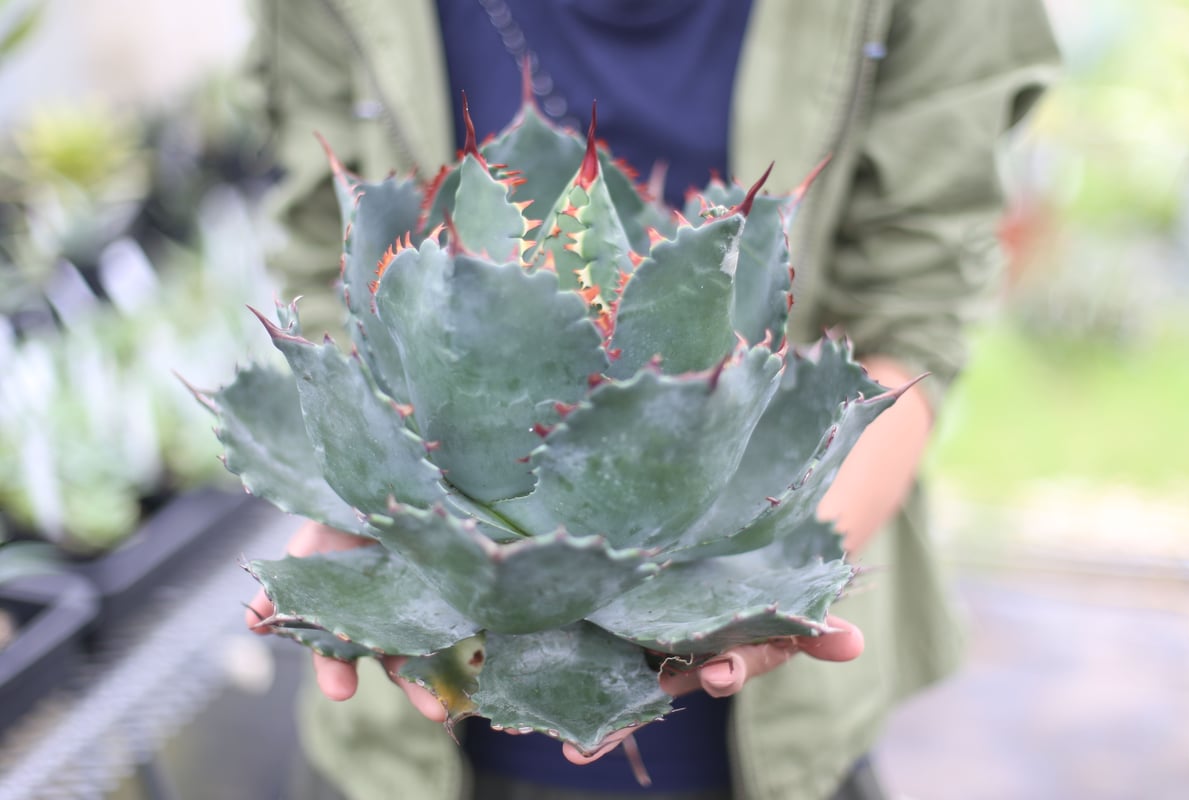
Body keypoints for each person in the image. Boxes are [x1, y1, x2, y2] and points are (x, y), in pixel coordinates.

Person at [241, 1, 1059, 798]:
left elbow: (912, 308)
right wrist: (372, 497)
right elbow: (335, 263)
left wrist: (761, 592)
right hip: (403, 755)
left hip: (762, 736)